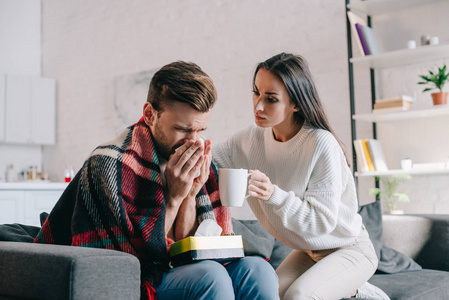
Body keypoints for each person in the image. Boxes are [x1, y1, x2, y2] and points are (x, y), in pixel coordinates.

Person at [34, 61, 279, 300]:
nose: (193, 142)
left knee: (258, 271)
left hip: (178, 265)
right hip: (141, 272)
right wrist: (172, 198)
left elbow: (186, 245)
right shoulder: (109, 164)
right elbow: (138, 260)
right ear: (150, 114)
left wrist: (190, 193)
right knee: (210, 276)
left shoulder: (201, 160)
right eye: (182, 129)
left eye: (200, 130)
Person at [212, 53, 390, 300]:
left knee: (299, 296)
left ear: (295, 103)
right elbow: (208, 160)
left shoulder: (320, 144)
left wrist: (274, 195)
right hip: (309, 251)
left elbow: (321, 223)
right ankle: (348, 289)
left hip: (349, 248)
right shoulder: (248, 140)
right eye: (256, 92)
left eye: (271, 99)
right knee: (267, 294)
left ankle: (362, 293)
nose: (258, 106)